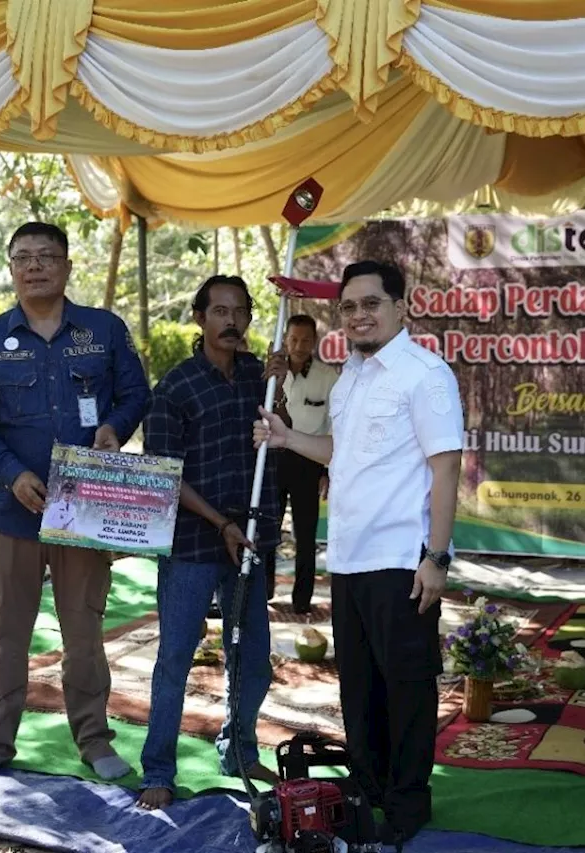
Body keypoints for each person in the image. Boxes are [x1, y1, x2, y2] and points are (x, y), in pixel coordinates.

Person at [254, 261, 464, 844]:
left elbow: (446, 467)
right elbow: (339, 451)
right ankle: (368, 792)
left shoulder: (426, 374)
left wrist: (437, 557)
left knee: (407, 686)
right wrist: (286, 436)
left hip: (402, 560)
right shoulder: (349, 376)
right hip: (347, 560)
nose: (358, 315)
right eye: (348, 307)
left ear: (402, 308)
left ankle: (408, 802)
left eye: (371, 303)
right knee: (359, 687)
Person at [0, 221, 150, 781]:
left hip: (85, 506)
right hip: (12, 512)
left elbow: (137, 392)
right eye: (24, 257)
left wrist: (113, 427)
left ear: (66, 266)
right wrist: (11, 474)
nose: (35, 265)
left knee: (83, 632)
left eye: (46, 256)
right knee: (6, 632)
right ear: (11, 268)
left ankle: (94, 740)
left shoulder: (104, 330)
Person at [137, 274, 289, 810]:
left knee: (251, 658)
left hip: (250, 539)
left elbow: (280, 438)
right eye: (219, 311)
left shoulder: (258, 377)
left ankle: (239, 747)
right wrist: (221, 524)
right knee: (176, 657)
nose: (231, 321)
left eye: (240, 311)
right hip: (192, 544)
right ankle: (158, 767)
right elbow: (164, 476)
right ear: (199, 319)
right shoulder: (175, 388)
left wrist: (280, 392)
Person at [275, 315, 336, 613]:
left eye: (306, 340)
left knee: (306, 534)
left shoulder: (328, 377)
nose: (300, 346)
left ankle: (302, 601)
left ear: (315, 342)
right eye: (294, 339)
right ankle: (263, 593)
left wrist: (327, 470)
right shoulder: (272, 372)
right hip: (273, 458)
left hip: (310, 460)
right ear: (286, 339)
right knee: (265, 530)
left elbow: (334, 426)